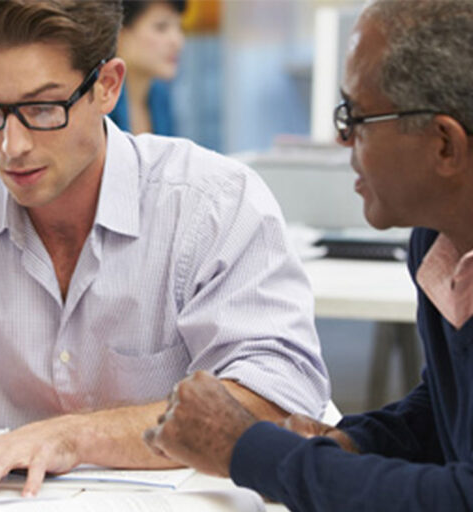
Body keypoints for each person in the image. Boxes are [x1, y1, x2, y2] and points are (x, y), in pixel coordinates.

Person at [0, 1, 329, 511]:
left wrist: (72, 435)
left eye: (42, 108)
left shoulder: (212, 203)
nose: (12, 144)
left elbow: (275, 396)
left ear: (107, 87)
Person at [144, 1, 473, 510]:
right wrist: (350, 442)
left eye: (357, 116)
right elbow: (445, 415)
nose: (342, 137)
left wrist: (250, 450)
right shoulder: (440, 242)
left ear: (445, 145)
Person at [108, 0, 186, 135]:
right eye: (161, 28)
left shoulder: (160, 96)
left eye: (179, 27)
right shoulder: (96, 101)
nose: (177, 41)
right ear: (119, 34)